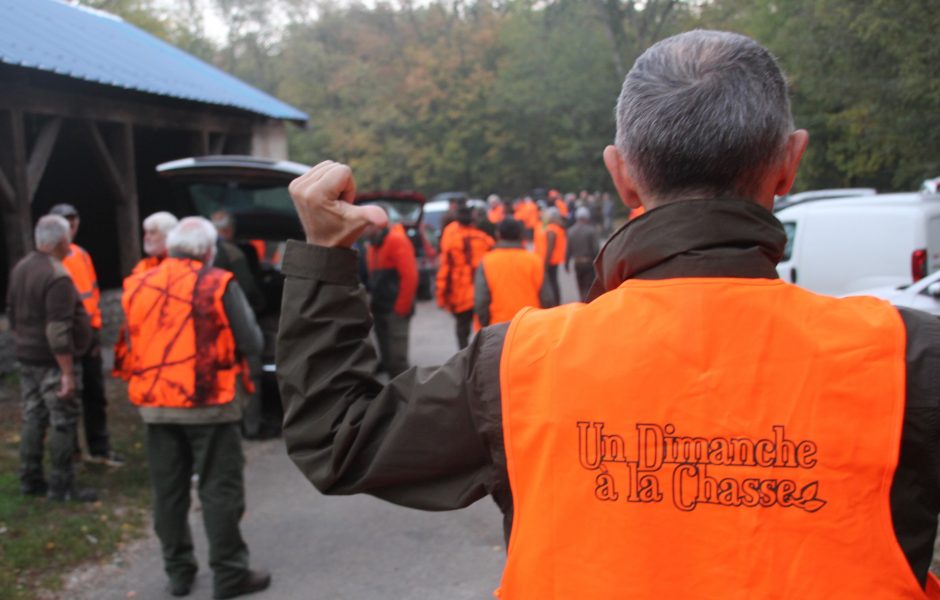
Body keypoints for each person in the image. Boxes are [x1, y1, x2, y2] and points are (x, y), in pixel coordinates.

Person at [277, 30, 940, 598]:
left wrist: (324, 259)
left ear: (622, 177)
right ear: (788, 165)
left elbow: (340, 436)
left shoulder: (519, 366)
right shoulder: (906, 360)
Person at [122, 217, 270, 598]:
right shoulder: (217, 282)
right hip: (211, 403)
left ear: (171, 247)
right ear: (208, 251)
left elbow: (129, 345)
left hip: (156, 405)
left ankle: (179, 573)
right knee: (219, 490)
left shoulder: (136, 284)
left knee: (168, 493)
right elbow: (251, 340)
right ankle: (230, 573)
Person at [8, 215, 96, 501]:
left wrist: (21, 343)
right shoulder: (56, 275)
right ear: (61, 241)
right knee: (62, 420)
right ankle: (62, 486)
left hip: (27, 357)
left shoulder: (21, 268)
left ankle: (30, 479)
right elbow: (58, 329)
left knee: (33, 417)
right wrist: (67, 372)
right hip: (51, 362)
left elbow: (12, 313)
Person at [49, 203, 123, 467]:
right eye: (65, 221)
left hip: (89, 335)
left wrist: (97, 329)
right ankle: (73, 453)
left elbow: (93, 293)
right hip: (66, 339)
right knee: (69, 399)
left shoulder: (81, 255)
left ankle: (100, 448)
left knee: (95, 394)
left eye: (73, 220)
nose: (71, 225)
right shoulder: (51, 260)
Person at [114, 211, 180, 380]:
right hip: (144, 351)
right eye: (146, 232)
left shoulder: (182, 269)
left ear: (169, 236)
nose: (147, 237)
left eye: (153, 232)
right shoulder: (141, 269)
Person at [363, 208, 418, 376]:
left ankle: (405, 398)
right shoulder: (373, 246)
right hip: (380, 308)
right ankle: (393, 396)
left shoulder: (396, 240)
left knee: (398, 360)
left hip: (395, 310)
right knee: (387, 356)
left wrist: (401, 309)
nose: (363, 229)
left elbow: (409, 277)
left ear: (377, 225)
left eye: (366, 225)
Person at [435, 204, 494, 349]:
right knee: (484, 330)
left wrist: (441, 296)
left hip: (460, 295)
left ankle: (464, 359)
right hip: (482, 293)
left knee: (462, 331)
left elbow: (445, 270)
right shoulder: (484, 240)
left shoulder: (451, 241)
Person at [474, 218, 552, 326]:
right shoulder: (534, 261)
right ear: (521, 235)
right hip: (531, 324)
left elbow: (481, 300)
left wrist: (485, 324)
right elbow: (547, 298)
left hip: (498, 326)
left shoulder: (487, 261)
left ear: (498, 235)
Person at [565, 206, 600, 301]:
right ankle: (588, 303)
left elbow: (568, 250)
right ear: (586, 217)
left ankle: (582, 301)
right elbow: (596, 249)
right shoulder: (591, 231)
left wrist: (566, 264)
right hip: (588, 262)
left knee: (580, 285)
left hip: (577, 263)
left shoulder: (570, 231)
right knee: (588, 286)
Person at [543, 208, 567, 307]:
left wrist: (545, 262)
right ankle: (557, 301)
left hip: (551, 260)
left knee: (551, 282)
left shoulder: (551, 228)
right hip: (557, 259)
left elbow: (550, 247)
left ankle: (554, 303)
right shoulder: (559, 227)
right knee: (554, 281)